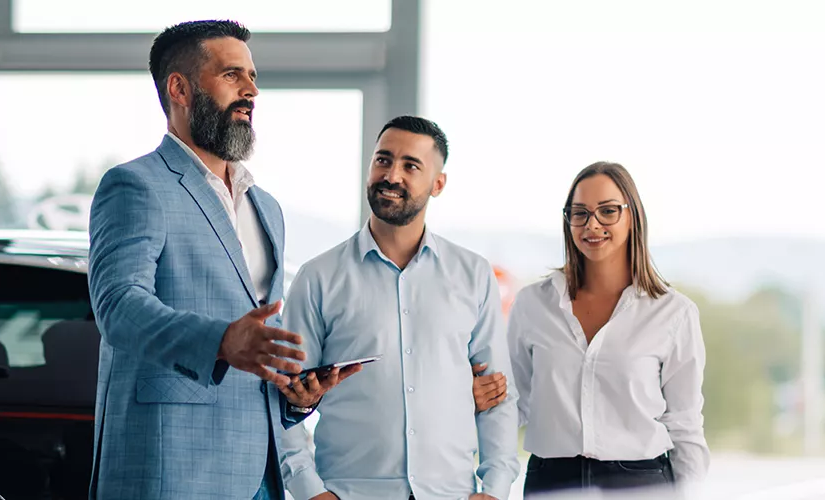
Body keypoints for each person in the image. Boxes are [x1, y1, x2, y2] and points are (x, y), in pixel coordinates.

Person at [86, 20, 355, 500]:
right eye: (233, 75)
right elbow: (119, 308)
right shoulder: (136, 186)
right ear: (180, 88)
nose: (252, 91)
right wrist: (220, 340)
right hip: (174, 471)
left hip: (263, 473)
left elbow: (256, 346)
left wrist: (296, 396)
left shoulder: (265, 206)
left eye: (252, 77)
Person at [277, 116, 519, 500]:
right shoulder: (318, 277)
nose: (392, 175)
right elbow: (283, 394)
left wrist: (495, 490)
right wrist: (309, 491)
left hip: (451, 493)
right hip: (349, 492)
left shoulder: (473, 274)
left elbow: (498, 397)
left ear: (438, 184)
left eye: (411, 166)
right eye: (383, 160)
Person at [501, 162, 709, 496]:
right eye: (579, 213)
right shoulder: (532, 305)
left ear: (633, 216)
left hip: (640, 483)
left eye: (608, 211)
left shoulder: (674, 312)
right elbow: (513, 403)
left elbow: (685, 425)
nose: (592, 224)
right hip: (551, 481)